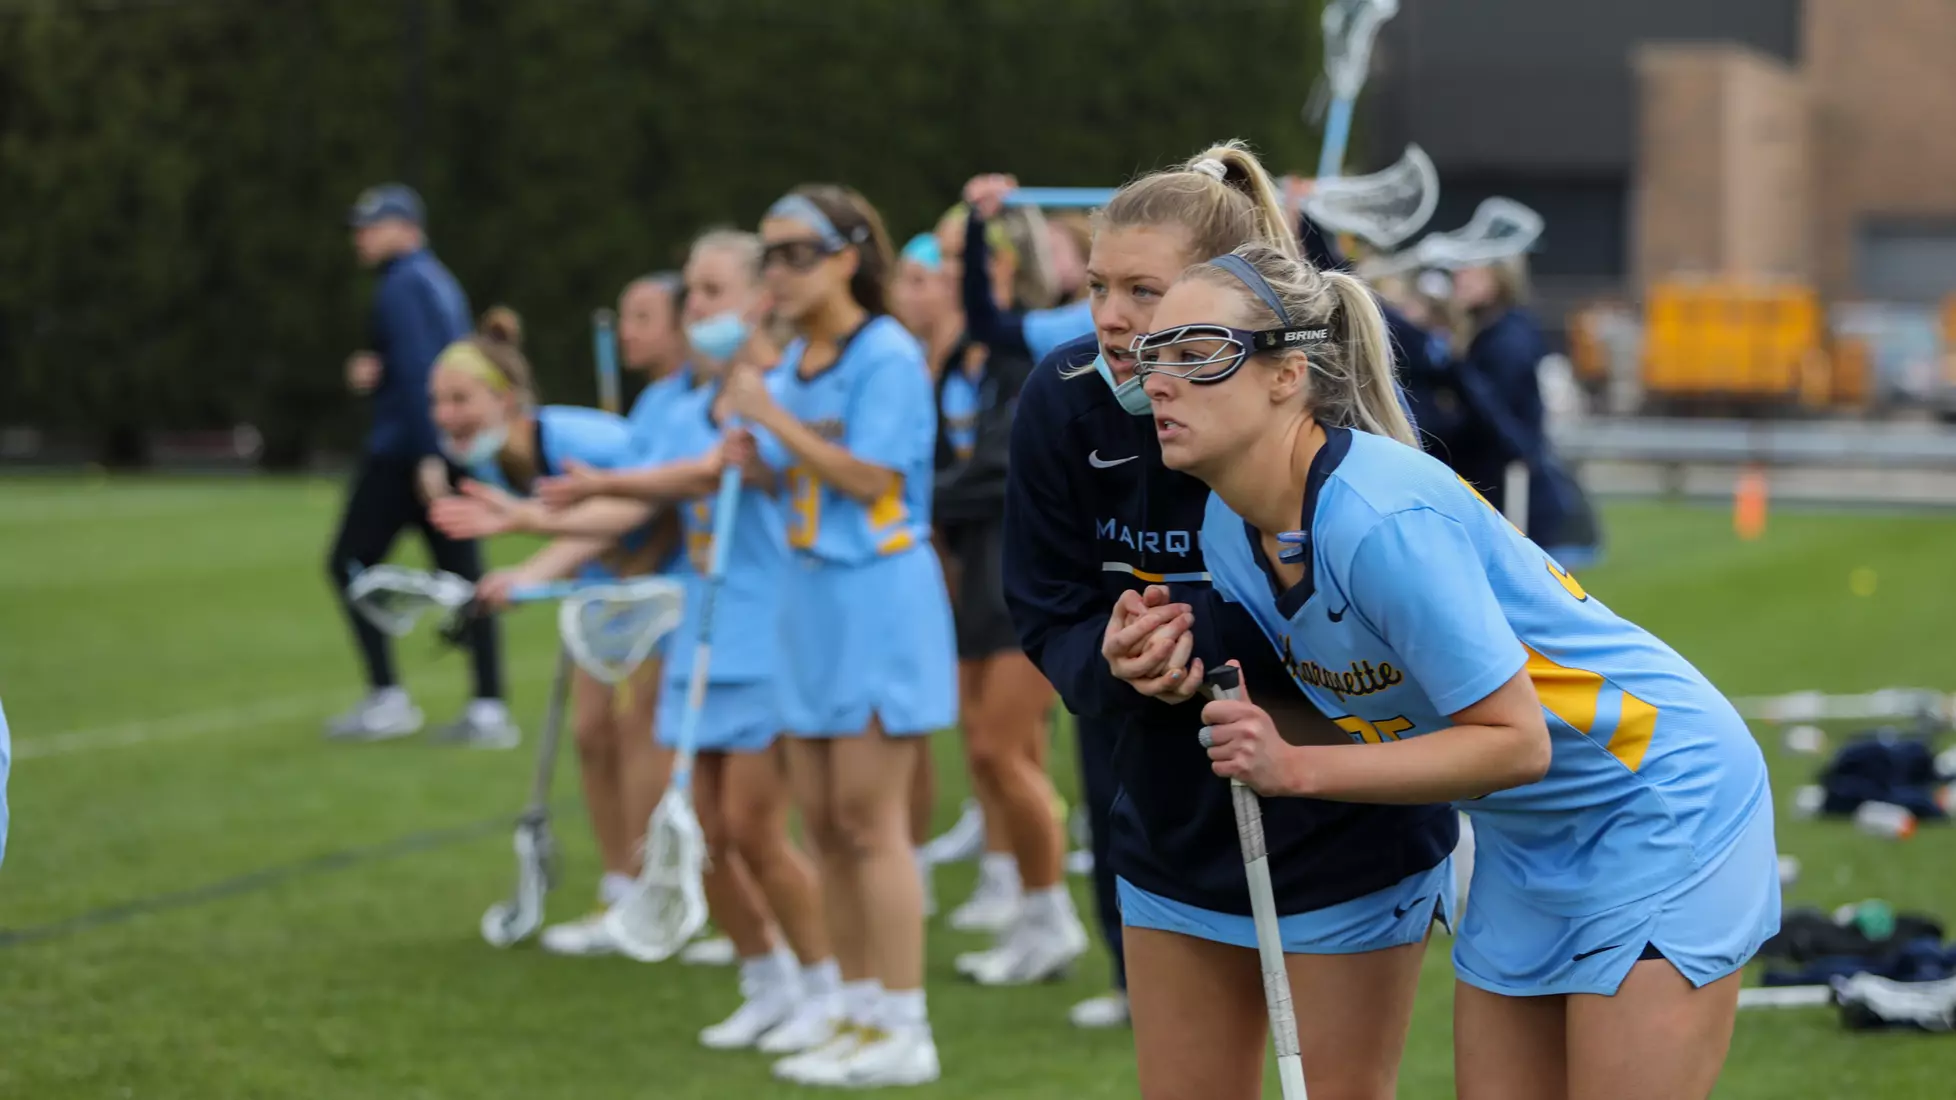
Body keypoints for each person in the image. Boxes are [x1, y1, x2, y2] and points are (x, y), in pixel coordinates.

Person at [1127, 243, 1779, 1100]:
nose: (1160, 384)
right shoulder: (1227, 531)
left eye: (1197, 353)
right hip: (1524, 837)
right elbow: (1377, 713)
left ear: (1287, 374)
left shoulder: (1377, 520)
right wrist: (1181, 670)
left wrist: (1295, 767)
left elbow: (1517, 744)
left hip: (1655, 801)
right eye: (1152, 357)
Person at [1001, 141, 1459, 1095]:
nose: (1114, 322)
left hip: (1344, 827)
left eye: (1145, 292)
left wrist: (1201, 643)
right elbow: (1047, 604)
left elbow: (1372, 642)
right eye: (1098, 288)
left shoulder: (1313, 413)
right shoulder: (1065, 397)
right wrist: (1118, 658)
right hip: (1172, 824)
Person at [718, 185, 955, 1088]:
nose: (777, 272)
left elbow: (869, 477)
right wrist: (755, 449)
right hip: (805, 604)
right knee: (820, 822)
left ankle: (906, 1022)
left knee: (870, 819)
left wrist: (769, 418)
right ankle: (856, 1014)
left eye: (794, 253)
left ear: (847, 257)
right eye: (768, 256)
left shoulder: (886, 353)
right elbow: (791, 476)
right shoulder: (789, 366)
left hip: (875, 600)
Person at [419, 307, 666, 939]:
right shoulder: (490, 460)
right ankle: (618, 890)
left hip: (658, 592)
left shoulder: (582, 438)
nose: (447, 415)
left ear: (503, 398)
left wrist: (531, 572)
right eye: (438, 401)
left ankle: (657, 893)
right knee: (590, 734)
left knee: (639, 740)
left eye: (460, 398)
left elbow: (652, 499)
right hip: (602, 595)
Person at [928, 203, 1087, 981]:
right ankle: (1031, 909)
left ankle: (1051, 914)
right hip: (976, 563)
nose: (944, 273)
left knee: (999, 746)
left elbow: (1000, 468)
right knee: (995, 753)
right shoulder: (967, 352)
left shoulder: (1028, 348)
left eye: (961, 256)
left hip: (1023, 567)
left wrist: (910, 498)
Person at [326, 183, 509, 745]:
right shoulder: (434, 279)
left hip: (407, 454)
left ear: (408, 228)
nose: (362, 237)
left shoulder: (402, 285)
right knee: (465, 577)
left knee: (350, 562)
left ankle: (388, 698)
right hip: (437, 450)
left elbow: (418, 372)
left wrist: (429, 453)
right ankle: (488, 708)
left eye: (372, 225)